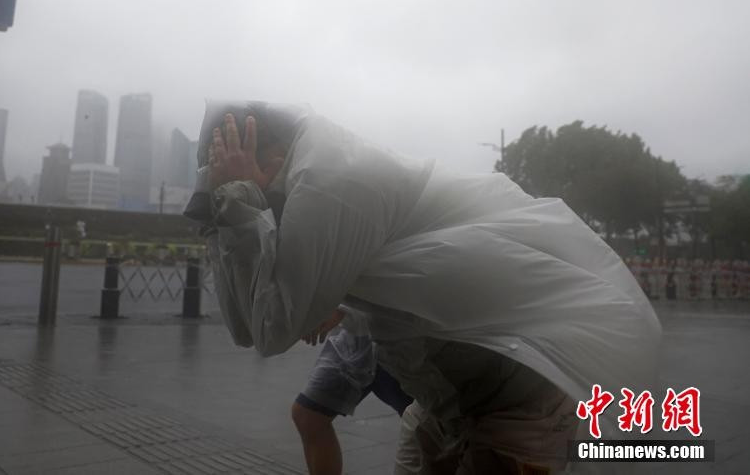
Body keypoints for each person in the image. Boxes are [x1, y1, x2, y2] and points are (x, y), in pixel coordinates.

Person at [184, 101, 661, 473]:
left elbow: (270, 332)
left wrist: (242, 199)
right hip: (440, 405)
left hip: (516, 409)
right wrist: (221, 214)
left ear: (267, 152)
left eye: (237, 166)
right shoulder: (304, 184)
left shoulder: (329, 180)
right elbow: (247, 327)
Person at [292, 307, 412, 475]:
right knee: (308, 416)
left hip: (403, 333)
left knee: (428, 426)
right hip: (355, 336)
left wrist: (343, 308)